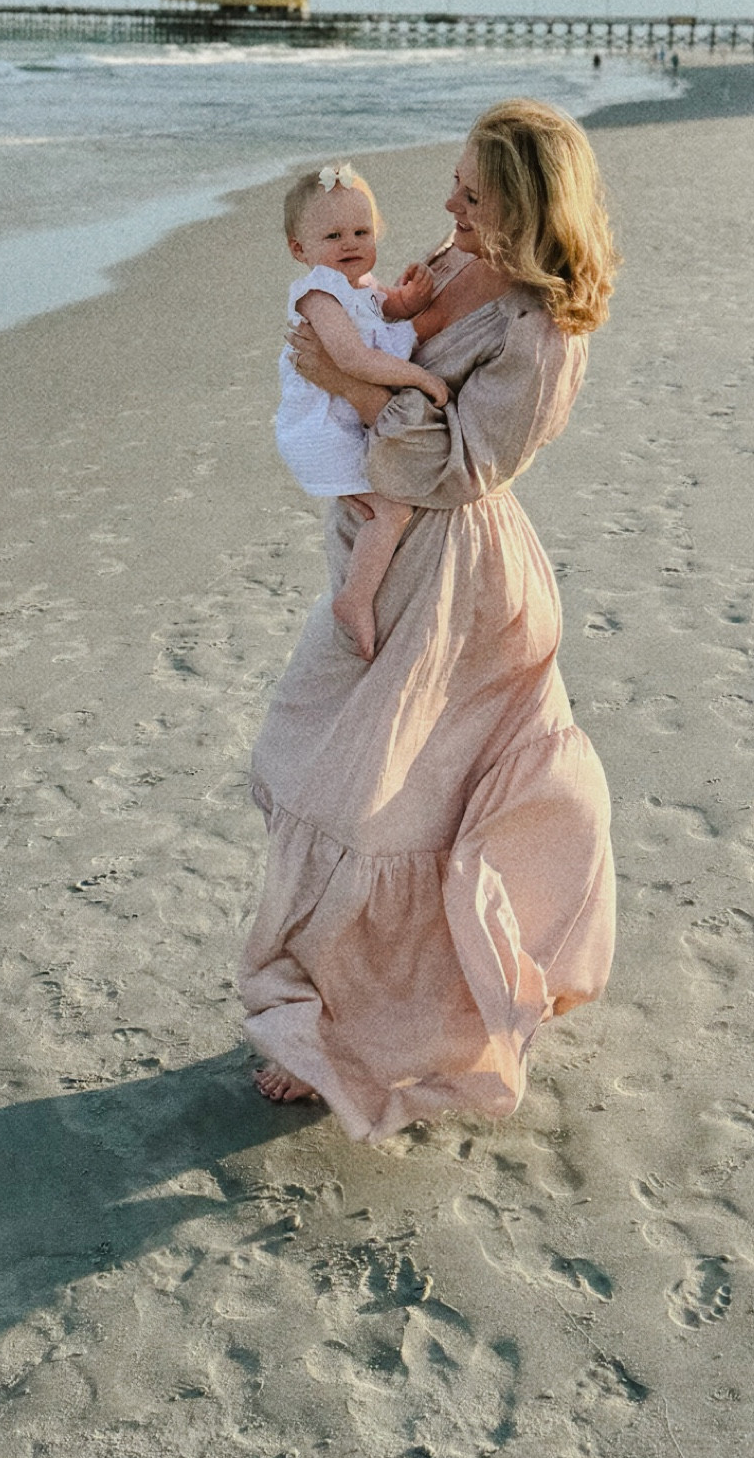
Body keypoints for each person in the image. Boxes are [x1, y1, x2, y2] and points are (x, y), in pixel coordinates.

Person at [241, 99, 620, 1139]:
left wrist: (350, 390)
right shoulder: (449, 263)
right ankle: (334, 1005)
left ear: (531, 211)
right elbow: (361, 334)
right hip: (381, 550)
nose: (448, 206)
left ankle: (346, 1037)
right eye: (454, 184)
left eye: (473, 195)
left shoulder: (541, 337)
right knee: (318, 758)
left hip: (450, 577)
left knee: (381, 799)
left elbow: (454, 466)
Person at [275, 162, 450, 660]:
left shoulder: (361, 287)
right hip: (320, 429)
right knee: (393, 509)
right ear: (299, 249)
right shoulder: (317, 294)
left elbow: (382, 315)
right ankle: (354, 599)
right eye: (332, 234)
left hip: (343, 421)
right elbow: (352, 359)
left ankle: (361, 567)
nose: (350, 242)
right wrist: (420, 376)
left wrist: (407, 301)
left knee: (381, 502)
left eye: (361, 231)